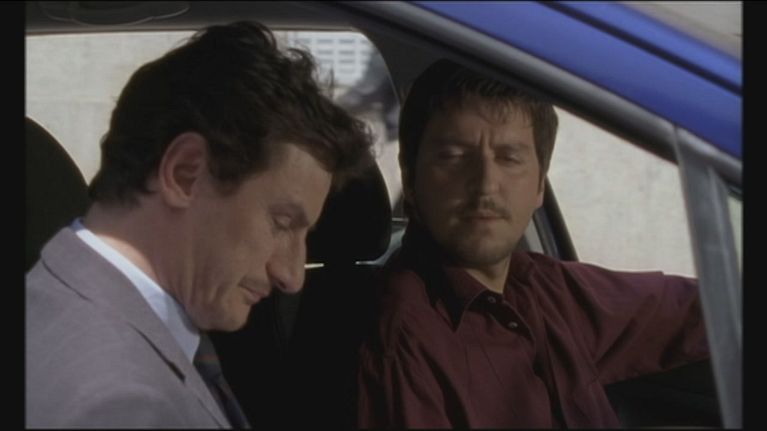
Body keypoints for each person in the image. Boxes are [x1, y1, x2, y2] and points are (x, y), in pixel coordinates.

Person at [26, 21, 373, 428]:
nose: (292, 275)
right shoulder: (120, 405)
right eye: (281, 224)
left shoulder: (55, 302)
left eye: (304, 234)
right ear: (185, 173)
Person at [356, 59, 708, 428]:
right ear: (410, 178)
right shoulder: (401, 340)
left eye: (509, 158)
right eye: (454, 157)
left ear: (540, 184)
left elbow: (701, 311)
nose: (486, 185)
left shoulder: (546, 289)